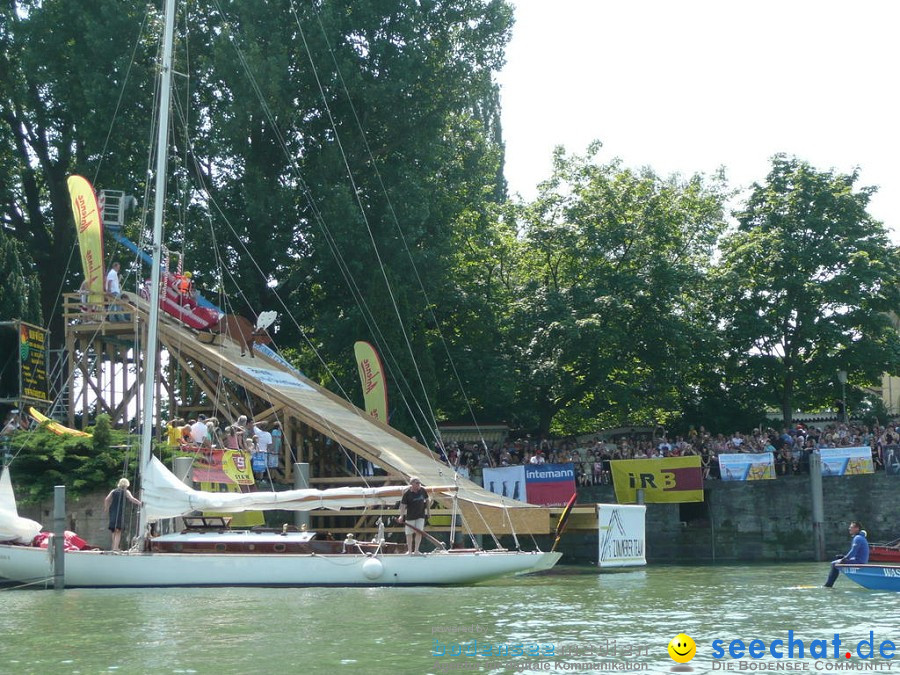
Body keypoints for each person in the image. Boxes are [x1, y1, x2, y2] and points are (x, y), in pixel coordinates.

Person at [824, 521, 869, 587]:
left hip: (859, 562)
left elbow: (853, 552)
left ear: (857, 528)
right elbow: (854, 553)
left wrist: (844, 559)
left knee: (834, 564)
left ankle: (828, 585)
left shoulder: (858, 538)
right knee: (838, 559)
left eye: (851, 527)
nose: (849, 528)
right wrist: (843, 557)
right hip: (860, 560)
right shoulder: (860, 537)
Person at [104, 478, 142, 550]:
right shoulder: (126, 491)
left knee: (114, 530)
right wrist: (140, 503)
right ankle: (116, 547)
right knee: (118, 530)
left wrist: (106, 508)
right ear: (126, 484)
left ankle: (114, 547)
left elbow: (107, 499)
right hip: (120, 511)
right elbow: (132, 499)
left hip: (112, 510)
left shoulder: (113, 491)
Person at [397, 477, 429, 554]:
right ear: (412, 484)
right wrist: (401, 516)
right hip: (410, 516)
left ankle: (416, 550)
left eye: (419, 483)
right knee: (409, 533)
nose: (418, 485)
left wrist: (428, 511)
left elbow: (427, 500)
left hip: (420, 515)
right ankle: (410, 551)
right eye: (417, 483)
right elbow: (403, 505)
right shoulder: (407, 493)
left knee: (419, 532)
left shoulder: (422, 490)